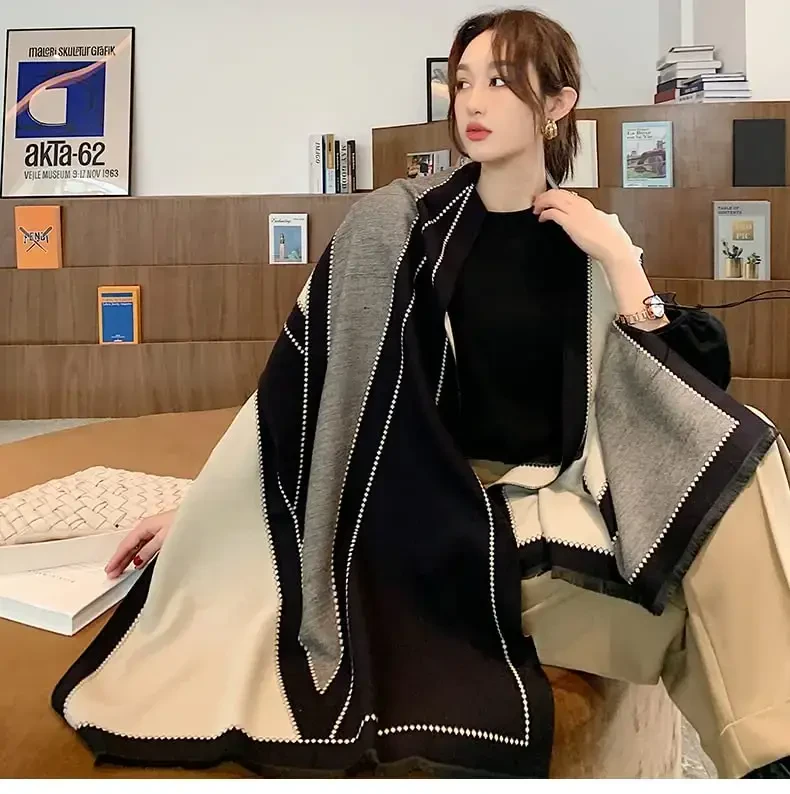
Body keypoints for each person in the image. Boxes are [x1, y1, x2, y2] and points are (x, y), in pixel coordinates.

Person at [55, 9, 790, 779]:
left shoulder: (585, 240)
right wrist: (208, 510)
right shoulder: (400, 226)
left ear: (558, 103)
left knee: (746, 455)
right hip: (433, 509)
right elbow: (308, 386)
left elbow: (684, 396)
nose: (473, 101)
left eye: (500, 81)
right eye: (463, 82)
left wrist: (621, 261)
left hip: (564, 494)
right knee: (697, 607)